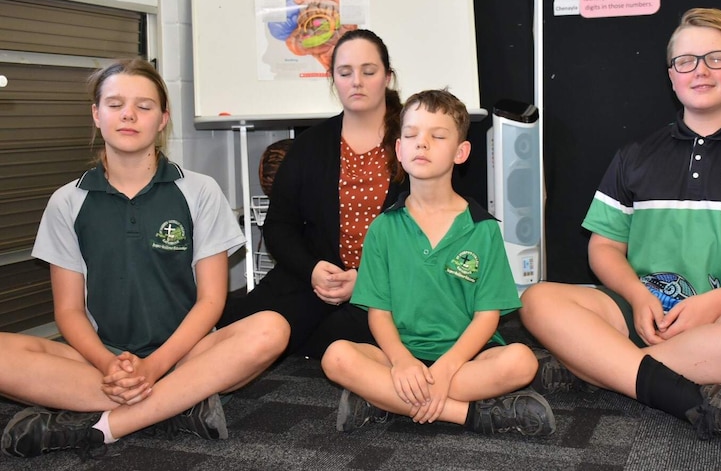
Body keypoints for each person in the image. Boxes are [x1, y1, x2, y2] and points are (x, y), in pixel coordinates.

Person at [520, 8, 721, 451]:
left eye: (717, 58)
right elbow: (604, 247)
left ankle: (592, 366)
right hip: (642, 311)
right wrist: (637, 295)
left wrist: (716, 304)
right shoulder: (635, 155)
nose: (700, 70)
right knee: (537, 300)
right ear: (672, 77)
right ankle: (684, 394)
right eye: (686, 61)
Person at [0, 59, 290, 459]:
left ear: (163, 119)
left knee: (271, 329)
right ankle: (177, 404)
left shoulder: (200, 191)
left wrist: (153, 368)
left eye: (144, 106)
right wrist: (108, 364)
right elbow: (68, 311)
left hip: (187, 356)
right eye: (115, 104)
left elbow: (211, 300)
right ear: (96, 115)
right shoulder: (67, 201)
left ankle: (104, 425)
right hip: (98, 362)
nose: (129, 115)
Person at [321, 89, 555, 437]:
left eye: (438, 135)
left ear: (461, 152)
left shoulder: (483, 229)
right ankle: (469, 414)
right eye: (412, 135)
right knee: (336, 357)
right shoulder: (383, 227)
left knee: (521, 361)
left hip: (466, 358)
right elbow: (379, 313)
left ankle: (384, 399)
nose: (422, 144)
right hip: (401, 355)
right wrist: (401, 361)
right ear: (399, 150)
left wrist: (446, 368)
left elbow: (487, 317)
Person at [217, 29, 408, 359]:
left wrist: (364, 281)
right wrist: (312, 269)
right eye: (345, 73)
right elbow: (279, 225)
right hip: (318, 278)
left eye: (369, 71)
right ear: (333, 79)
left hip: (393, 285)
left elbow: (432, 231)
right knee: (243, 327)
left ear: (388, 77)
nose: (357, 82)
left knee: (347, 337)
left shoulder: (413, 141)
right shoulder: (311, 145)